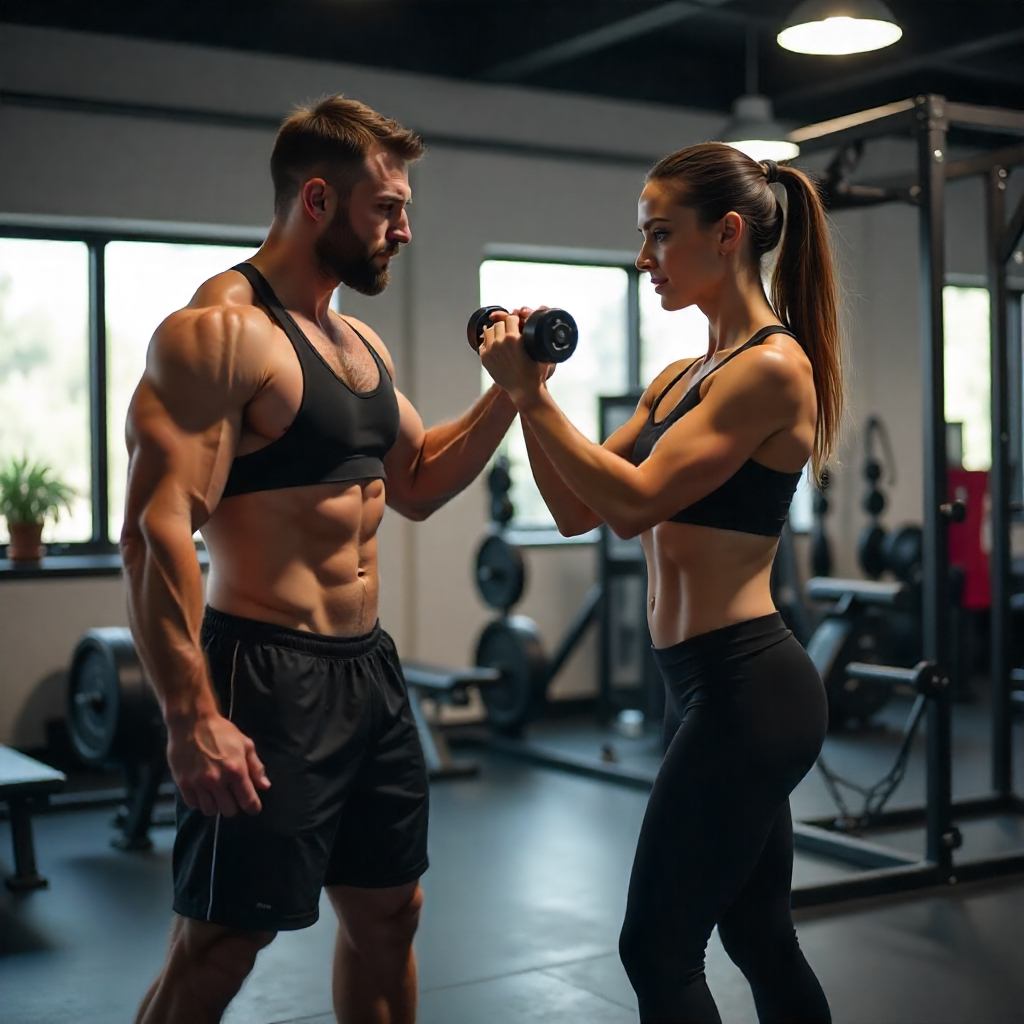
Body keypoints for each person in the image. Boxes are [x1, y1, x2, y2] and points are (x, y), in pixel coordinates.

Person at [121, 95, 518, 1024]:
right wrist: (190, 719)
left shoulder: (358, 341)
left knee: (390, 914)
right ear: (316, 201)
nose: (404, 230)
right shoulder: (220, 333)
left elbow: (416, 481)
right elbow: (155, 530)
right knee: (221, 944)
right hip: (264, 672)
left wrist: (504, 398)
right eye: (387, 209)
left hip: (368, 673)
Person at [478, 142, 839, 1023]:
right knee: (757, 934)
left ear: (725, 236)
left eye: (658, 236)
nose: (643, 259)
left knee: (655, 951)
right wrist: (535, 391)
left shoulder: (772, 368)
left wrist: (532, 399)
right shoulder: (681, 378)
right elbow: (575, 508)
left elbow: (634, 503)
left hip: (748, 687)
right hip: (699, 687)